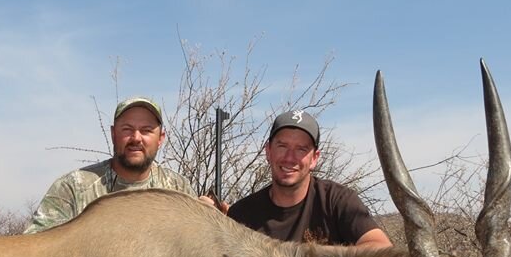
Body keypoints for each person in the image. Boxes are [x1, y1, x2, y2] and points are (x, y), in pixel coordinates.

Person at [24, 96, 198, 234]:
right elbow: (35, 249)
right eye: (127, 129)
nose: (136, 138)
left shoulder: (179, 190)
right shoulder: (73, 187)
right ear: (114, 134)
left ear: (160, 139)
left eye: (146, 130)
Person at [227, 109, 392, 247]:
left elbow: (381, 248)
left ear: (314, 158)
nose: (290, 158)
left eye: (301, 149)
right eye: (282, 146)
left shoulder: (337, 201)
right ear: (268, 151)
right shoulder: (241, 214)